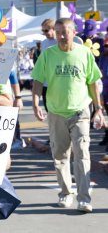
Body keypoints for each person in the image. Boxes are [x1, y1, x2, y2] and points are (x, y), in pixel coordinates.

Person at [31, 18, 104, 213]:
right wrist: (36, 103)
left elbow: (93, 82)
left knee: (82, 154)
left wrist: (98, 109)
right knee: (60, 156)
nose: (62, 36)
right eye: (58, 32)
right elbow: (37, 80)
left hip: (80, 111)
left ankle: (84, 198)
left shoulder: (84, 53)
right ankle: (65, 193)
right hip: (56, 113)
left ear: (74, 33)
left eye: (65, 32)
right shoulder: (47, 55)